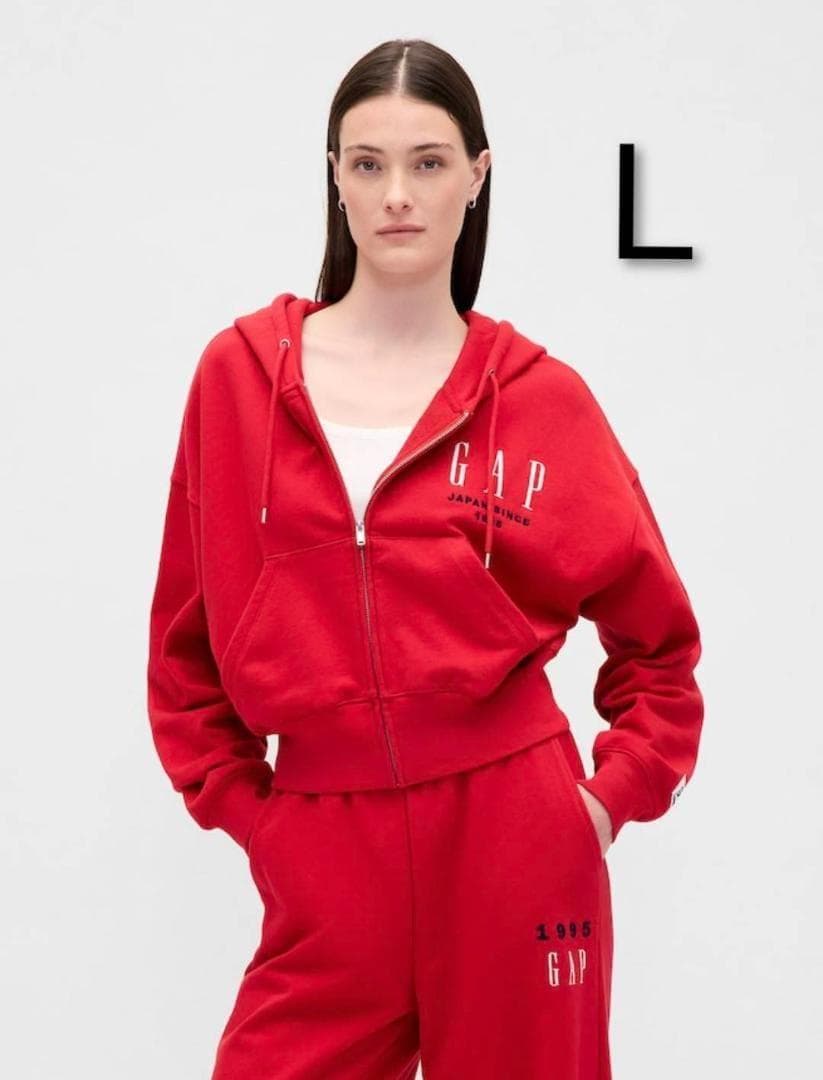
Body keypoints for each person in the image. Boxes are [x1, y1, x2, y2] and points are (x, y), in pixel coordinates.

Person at [146, 37, 704, 1080]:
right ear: (335, 177)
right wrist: (259, 821)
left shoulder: (539, 399)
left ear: (476, 177)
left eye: (428, 162)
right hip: (322, 844)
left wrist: (598, 806)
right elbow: (184, 647)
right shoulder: (238, 381)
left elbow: (660, 650)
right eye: (368, 163)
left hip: (514, 842)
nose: (397, 193)